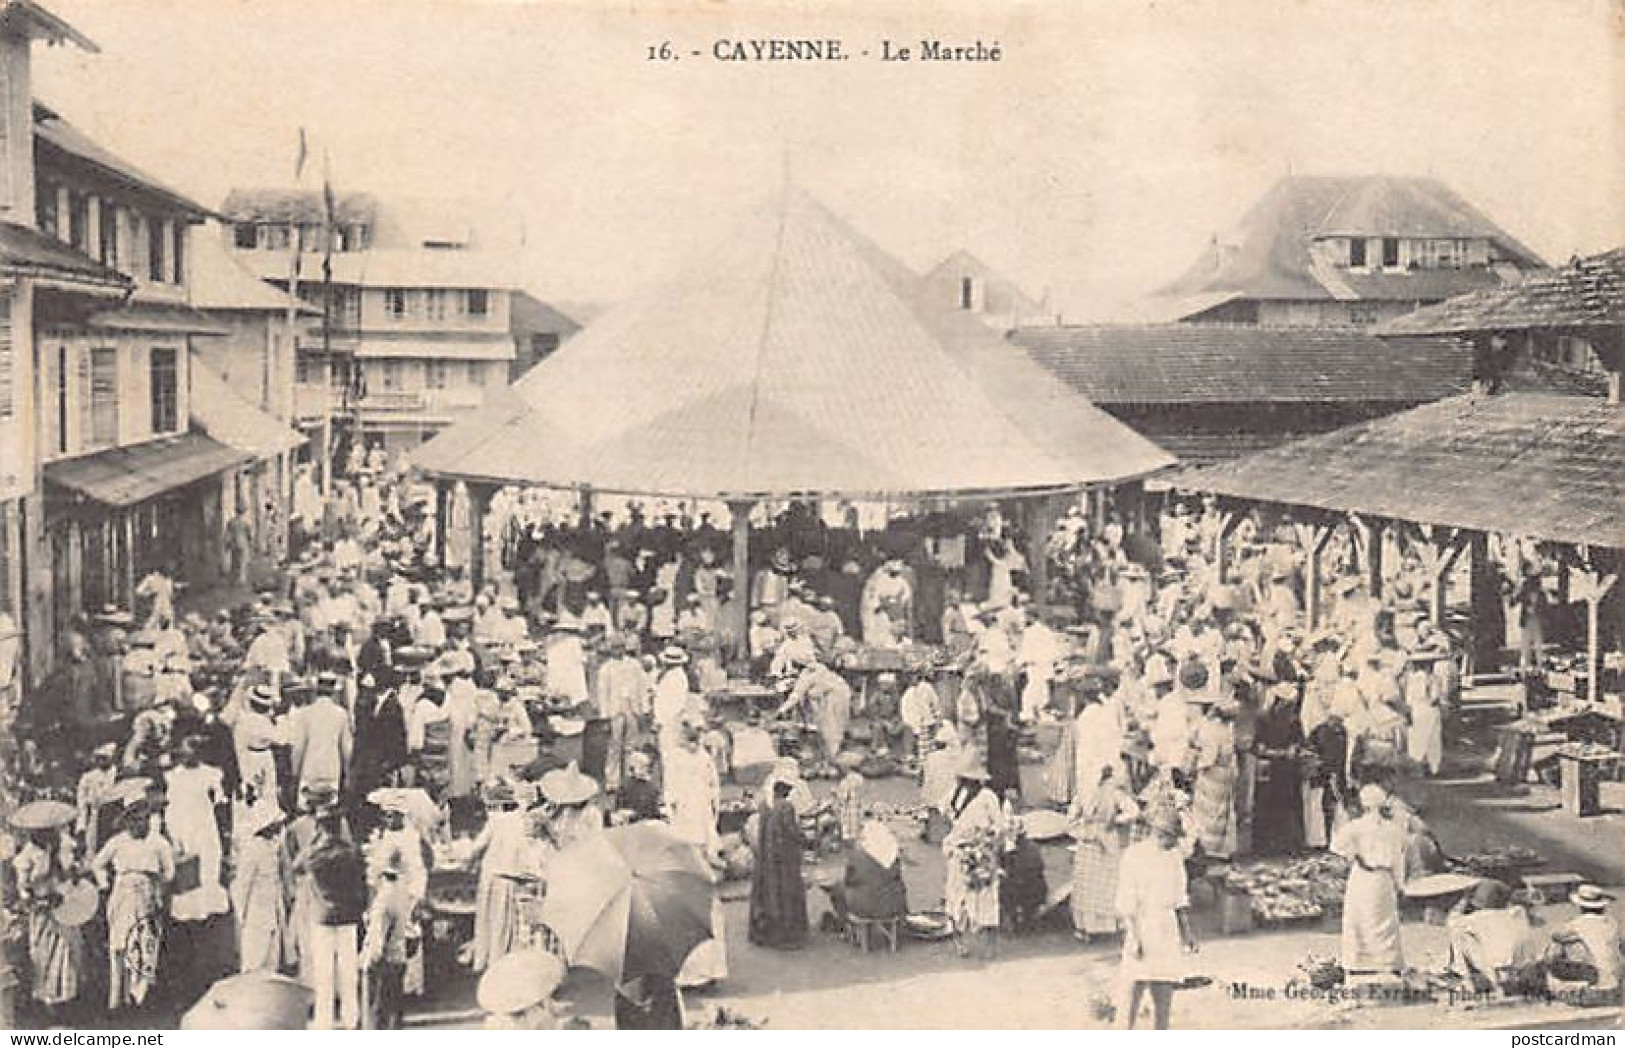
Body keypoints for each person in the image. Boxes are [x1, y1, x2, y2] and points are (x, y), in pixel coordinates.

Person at [1115, 804, 1198, 1030]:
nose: (1175, 843)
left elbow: (1180, 897)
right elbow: (1126, 901)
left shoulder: (1174, 857)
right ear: (1159, 834)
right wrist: (1135, 937)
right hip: (1141, 925)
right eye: (1172, 837)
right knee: (1134, 989)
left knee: (1164, 989)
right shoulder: (1134, 856)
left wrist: (1187, 932)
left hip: (1166, 928)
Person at [93, 799, 175, 1012]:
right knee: (120, 944)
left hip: (147, 895)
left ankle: (139, 996)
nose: (142, 824)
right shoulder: (117, 842)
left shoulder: (158, 842)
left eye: (145, 819)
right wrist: (104, 882)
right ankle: (117, 998)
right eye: (137, 820)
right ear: (128, 822)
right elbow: (97, 863)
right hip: (122, 895)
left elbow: (169, 872)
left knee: (144, 944)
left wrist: (156, 883)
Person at [294, 801, 367, 1030]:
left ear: (319, 827)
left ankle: (323, 1021)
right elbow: (361, 881)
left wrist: (314, 840)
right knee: (348, 972)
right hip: (347, 916)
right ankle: (351, 1017)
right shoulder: (350, 853)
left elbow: (297, 865)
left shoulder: (315, 855)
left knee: (323, 973)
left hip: (322, 917)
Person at [1331, 783, 1406, 979]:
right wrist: (1400, 884)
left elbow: (1336, 846)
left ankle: (1357, 961)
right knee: (1384, 920)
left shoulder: (1354, 827)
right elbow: (1399, 860)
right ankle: (1388, 962)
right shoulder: (1394, 829)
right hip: (1384, 878)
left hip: (1363, 876)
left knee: (1359, 919)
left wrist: (1352, 854)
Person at [12, 827, 84, 1016]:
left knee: (68, 949)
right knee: (43, 953)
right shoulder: (27, 854)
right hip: (42, 910)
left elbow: (71, 875)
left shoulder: (63, 846)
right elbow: (23, 888)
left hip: (64, 906)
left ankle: (67, 997)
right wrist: (35, 899)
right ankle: (46, 1000)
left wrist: (68, 869)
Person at [1069, 763, 1138, 942]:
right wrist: (1084, 831)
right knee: (1088, 884)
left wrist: (1116, 820)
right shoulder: (1084, 795)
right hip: (1091, 841)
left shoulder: (1113, 792)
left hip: (1105, 841)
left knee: (1105, 883)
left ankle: (1102, 926)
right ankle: (1088, 928)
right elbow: (1071, 820)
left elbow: (1133, 811)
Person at [943, 764, 1005, 958]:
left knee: (957, 898)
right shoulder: (988, 796)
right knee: (986, 898)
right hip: (981, 853)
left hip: (959, 852)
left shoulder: (954, 794)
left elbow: (945, 813)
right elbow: (1000, 826)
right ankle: (989, 947)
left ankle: (961, 944)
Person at [468, 781, 530, 973]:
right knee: (503, 925)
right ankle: (498, 962)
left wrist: (464, 856)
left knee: (486, 920)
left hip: (491, 876)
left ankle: (483, 961)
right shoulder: (522, 821)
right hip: (509, 877)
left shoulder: (497, 820)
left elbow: (477, 847)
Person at [1445, 879, 1540, 997]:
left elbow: (1451, 919)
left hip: (1490, 969)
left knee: (1460, 937)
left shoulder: (1473, 920)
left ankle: (1467, 977)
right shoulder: (1518, 914)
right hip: (1519, 967)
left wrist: (1465, 898)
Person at [747, 779, 808, 950]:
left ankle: (767, 931)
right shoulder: (786, 807)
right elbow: (791, 831)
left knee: (770, 893)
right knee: (786, 894)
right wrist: (805, 839)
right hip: (785, 858)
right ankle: (788, 935)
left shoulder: (765, 807)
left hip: (767, 859)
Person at [230, 798, 286, 973]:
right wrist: (243, 917)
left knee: (271, 964)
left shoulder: (272, 847)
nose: (280, 827)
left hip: (272, 917)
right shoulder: (252, 850)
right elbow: (241, 886)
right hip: (256, 918)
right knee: (253, 965)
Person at [1543, 884, 1623, 1006]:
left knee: (1550, 968)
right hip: (1615, 990)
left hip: (1588, 992)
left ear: (1580, 906)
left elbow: (1550, 958)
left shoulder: (1571, 926)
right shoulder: (1613, 924)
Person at [360, 849, 413, 1030]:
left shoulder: (383, 901)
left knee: (377, 1018)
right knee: (394, 1017)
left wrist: (367, 962)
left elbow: (377, 943)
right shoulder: (402, 892)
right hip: (399, 958)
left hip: (384, 964)